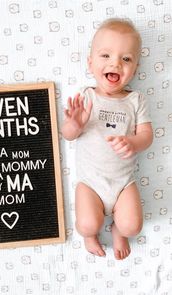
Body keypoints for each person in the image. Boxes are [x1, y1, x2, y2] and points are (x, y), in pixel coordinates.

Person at [61, 18, 153, 260]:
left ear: (135, 69)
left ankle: (118, 230)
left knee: (132, 226)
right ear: (90, 63)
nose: (116, 63)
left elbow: (147, 136)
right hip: (91, 184)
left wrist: (133, 143)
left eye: (126, 59)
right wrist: (73, 125)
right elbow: (68, 135)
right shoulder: (87, 97)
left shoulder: (136, 100)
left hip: (124, 183)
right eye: (106, 56)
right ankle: (90, 237)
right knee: (87, 225)